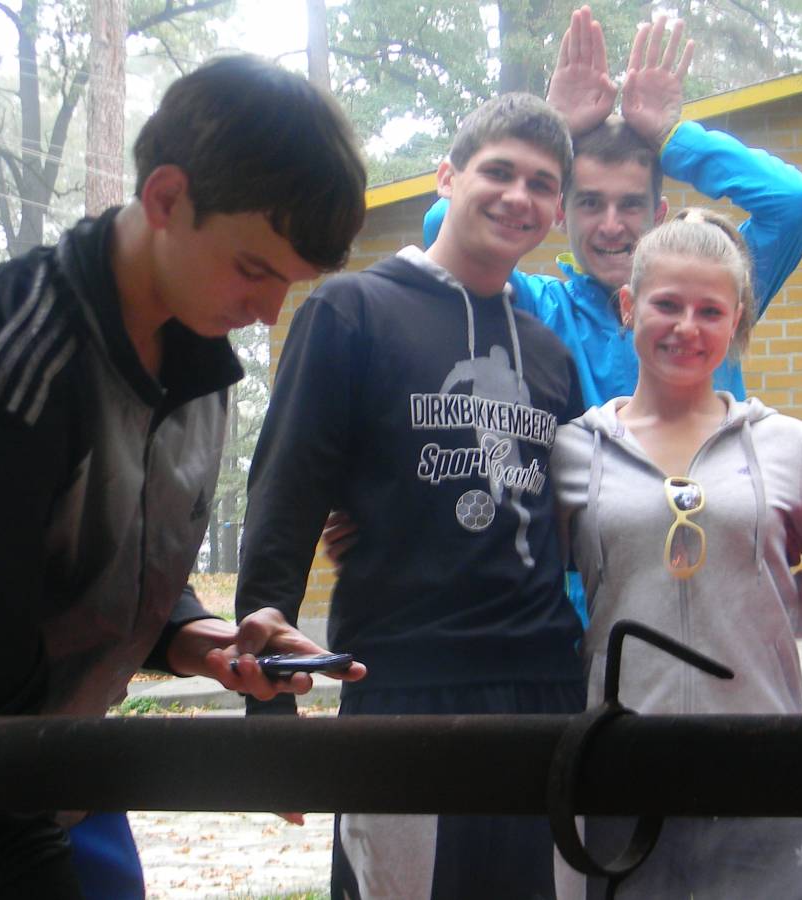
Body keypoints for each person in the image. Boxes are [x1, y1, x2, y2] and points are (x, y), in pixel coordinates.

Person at [0, 54, 370, 898]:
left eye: (290, 283)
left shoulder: (198, 359)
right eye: (254, 269)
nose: (268, 312)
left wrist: (200, 639)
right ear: (166, 197)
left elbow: (86, 563)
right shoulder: (0, 384)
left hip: (58, 776)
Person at [234, 93, 586, 900]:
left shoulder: (550, 354)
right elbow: (285, 497)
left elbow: (567, 514)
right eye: (498, 171)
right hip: (402, 684)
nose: (518, 196)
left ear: (557, 211)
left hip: (544, 690)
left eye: (541, 184)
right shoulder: (350, 310)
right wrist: (268, 703)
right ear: (447, 176)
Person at [552, 210, 802, 899]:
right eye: (667, 304)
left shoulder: (788, 446)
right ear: (629, 305)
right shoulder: (573, 450)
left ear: (737, 321)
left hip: (761, 759)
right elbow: (519, 576)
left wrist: (761, 626)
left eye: (711, 311)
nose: (687, 327)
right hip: (619, 761)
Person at [425, 7, 802, 409]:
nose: (611, 225)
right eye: (591, 203)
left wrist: (669, 137)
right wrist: (554, 130)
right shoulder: (537, 307)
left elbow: (796, 201)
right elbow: (446, 226)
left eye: (631, 205)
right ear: (561, 212)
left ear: (658, 215)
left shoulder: (707, 292)